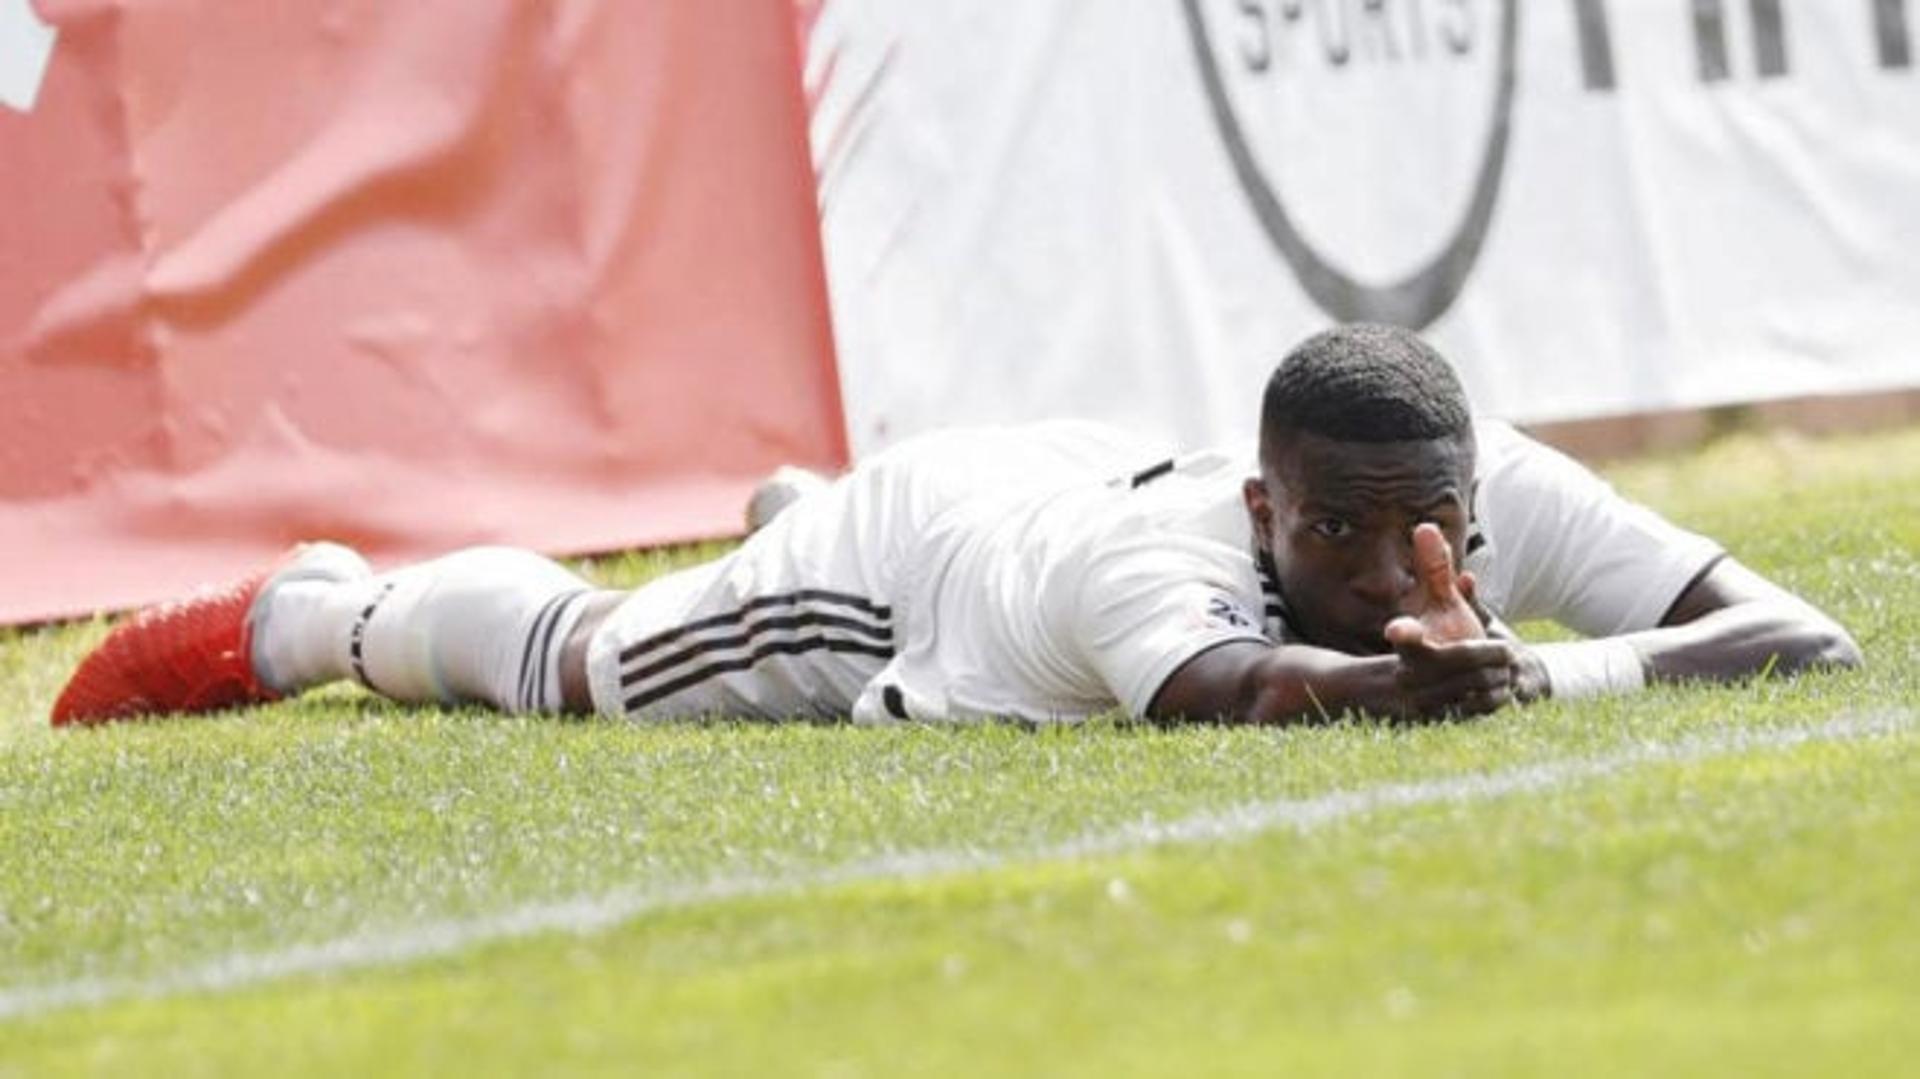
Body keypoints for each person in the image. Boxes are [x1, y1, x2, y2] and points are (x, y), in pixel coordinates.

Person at [50, 325, 1861, 728]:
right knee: (589, 668)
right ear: (1265, 509)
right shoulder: (1154, 574)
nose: (1399, 576)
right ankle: (317, 616)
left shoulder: (1492, 495)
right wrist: (1451, 683)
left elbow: (1803, 639)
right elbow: (1242, 701)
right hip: (912, 579)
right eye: (1345, 540)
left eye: (1429, 534)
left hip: (1044, 486)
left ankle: (793, 509)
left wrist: (1550, 667)